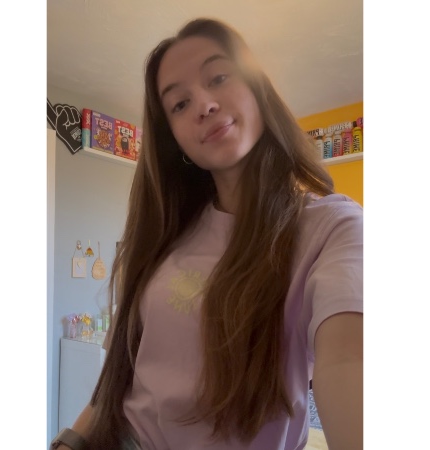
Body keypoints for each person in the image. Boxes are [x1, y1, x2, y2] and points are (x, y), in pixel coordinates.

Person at [50, 17, 363, 450]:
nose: (204, 105)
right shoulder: (165, 233)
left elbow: (350, 360)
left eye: (218, 78)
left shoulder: (333, 228)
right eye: (179, 104)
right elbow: (119, 380)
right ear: (175, 139)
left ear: (257, 89)